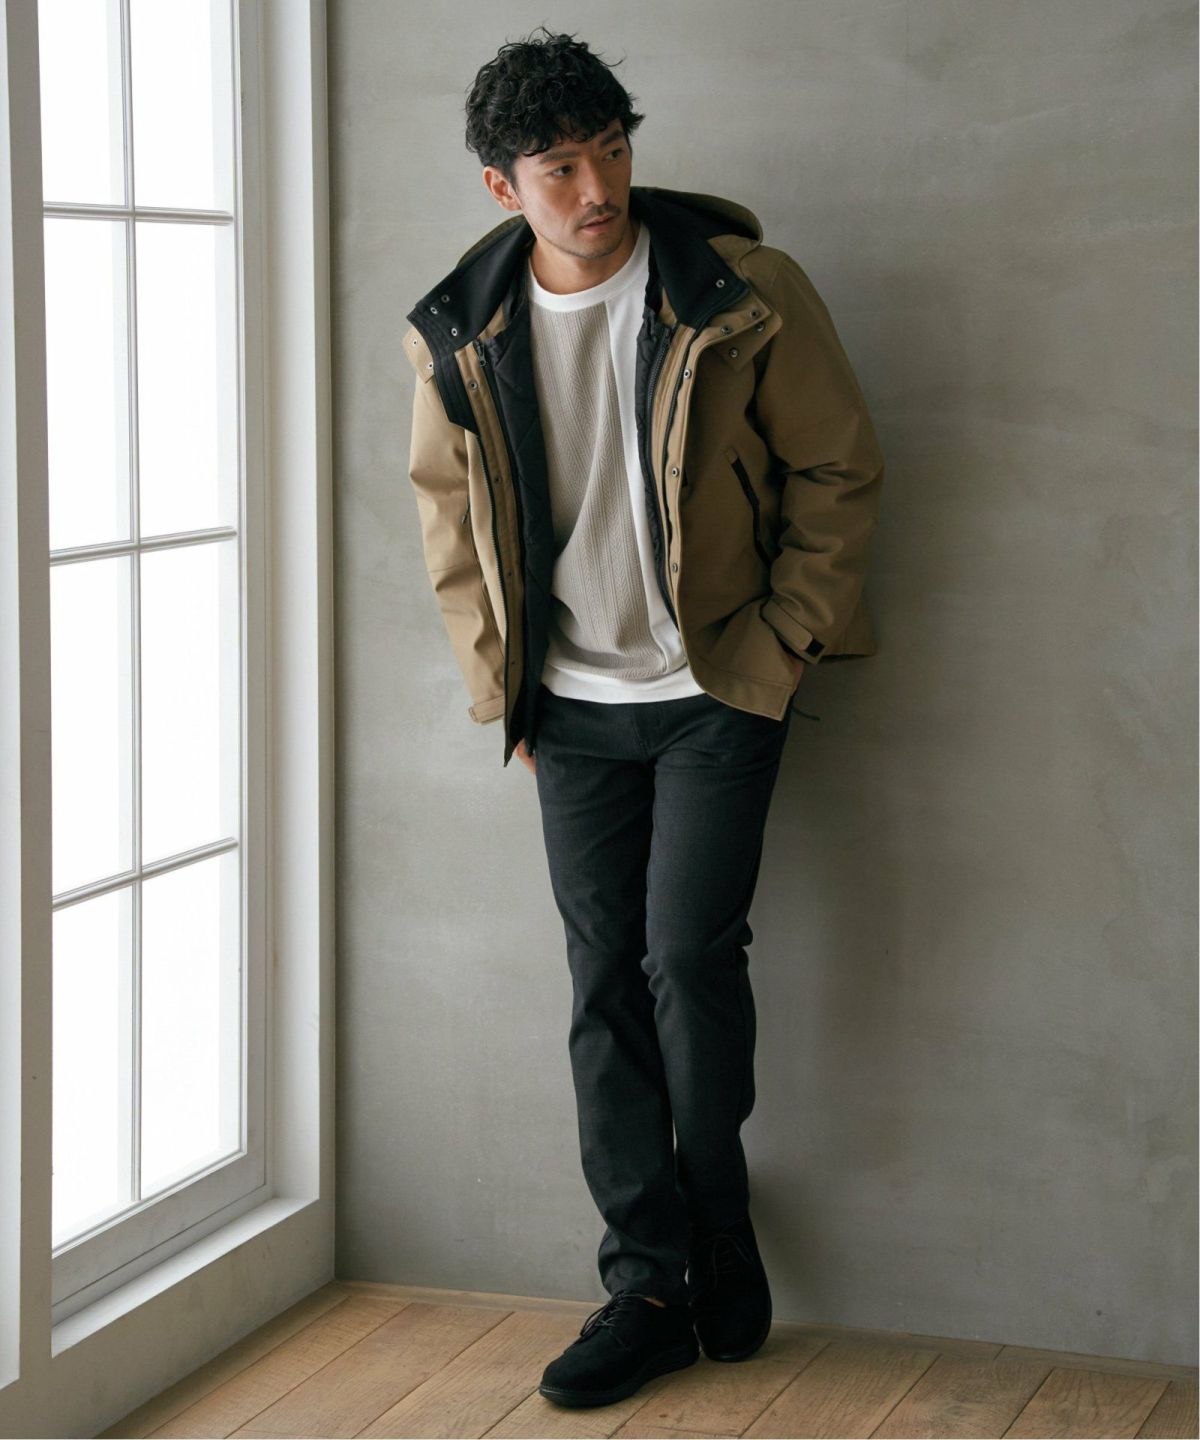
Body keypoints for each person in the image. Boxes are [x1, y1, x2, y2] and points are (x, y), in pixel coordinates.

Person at [401, 26, 885, 1411]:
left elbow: (839, 468)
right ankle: (648, 1282)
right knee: (600, 982)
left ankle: (716, 1214)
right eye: (560, 166)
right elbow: (447, 521)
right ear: (504, 186)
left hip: (717, 690)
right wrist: (502, 686)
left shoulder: (739, 291)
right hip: (573, 710)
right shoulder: (461, 328)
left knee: (688, 960)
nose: (598, 187)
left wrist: (785, 644)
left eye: (611, 150)